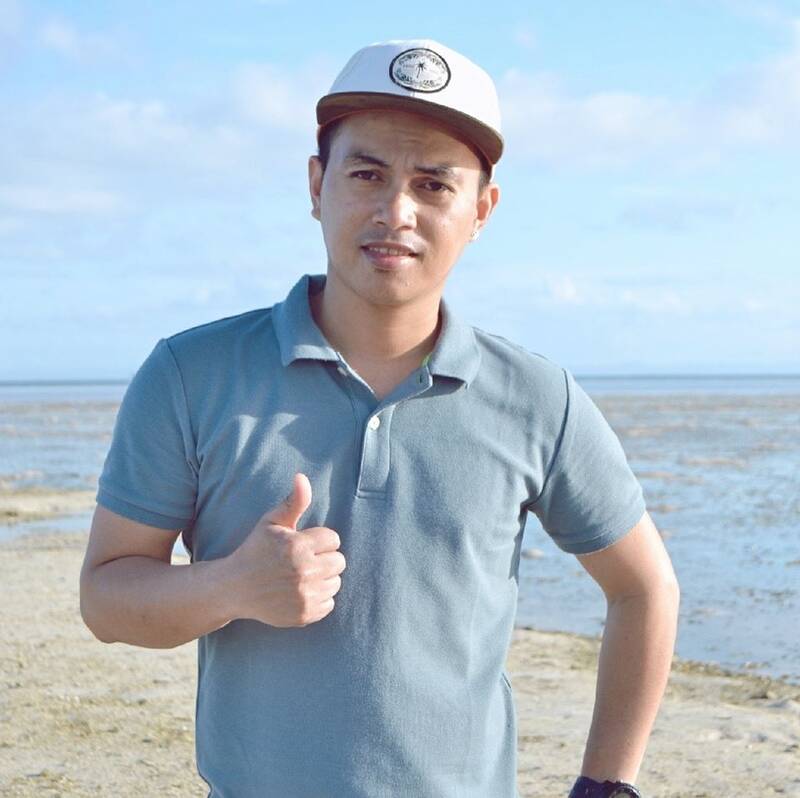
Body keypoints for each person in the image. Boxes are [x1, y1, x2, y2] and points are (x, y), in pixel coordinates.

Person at [79, 38, 680, 798]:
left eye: (434, 185)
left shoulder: (538, 399)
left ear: (481, 210)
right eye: (367, 174)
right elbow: (106, 598)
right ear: (316, 185)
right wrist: (231, 586)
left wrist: (606, 786)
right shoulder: (190, 375)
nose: (396, 212)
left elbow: (644, 590)